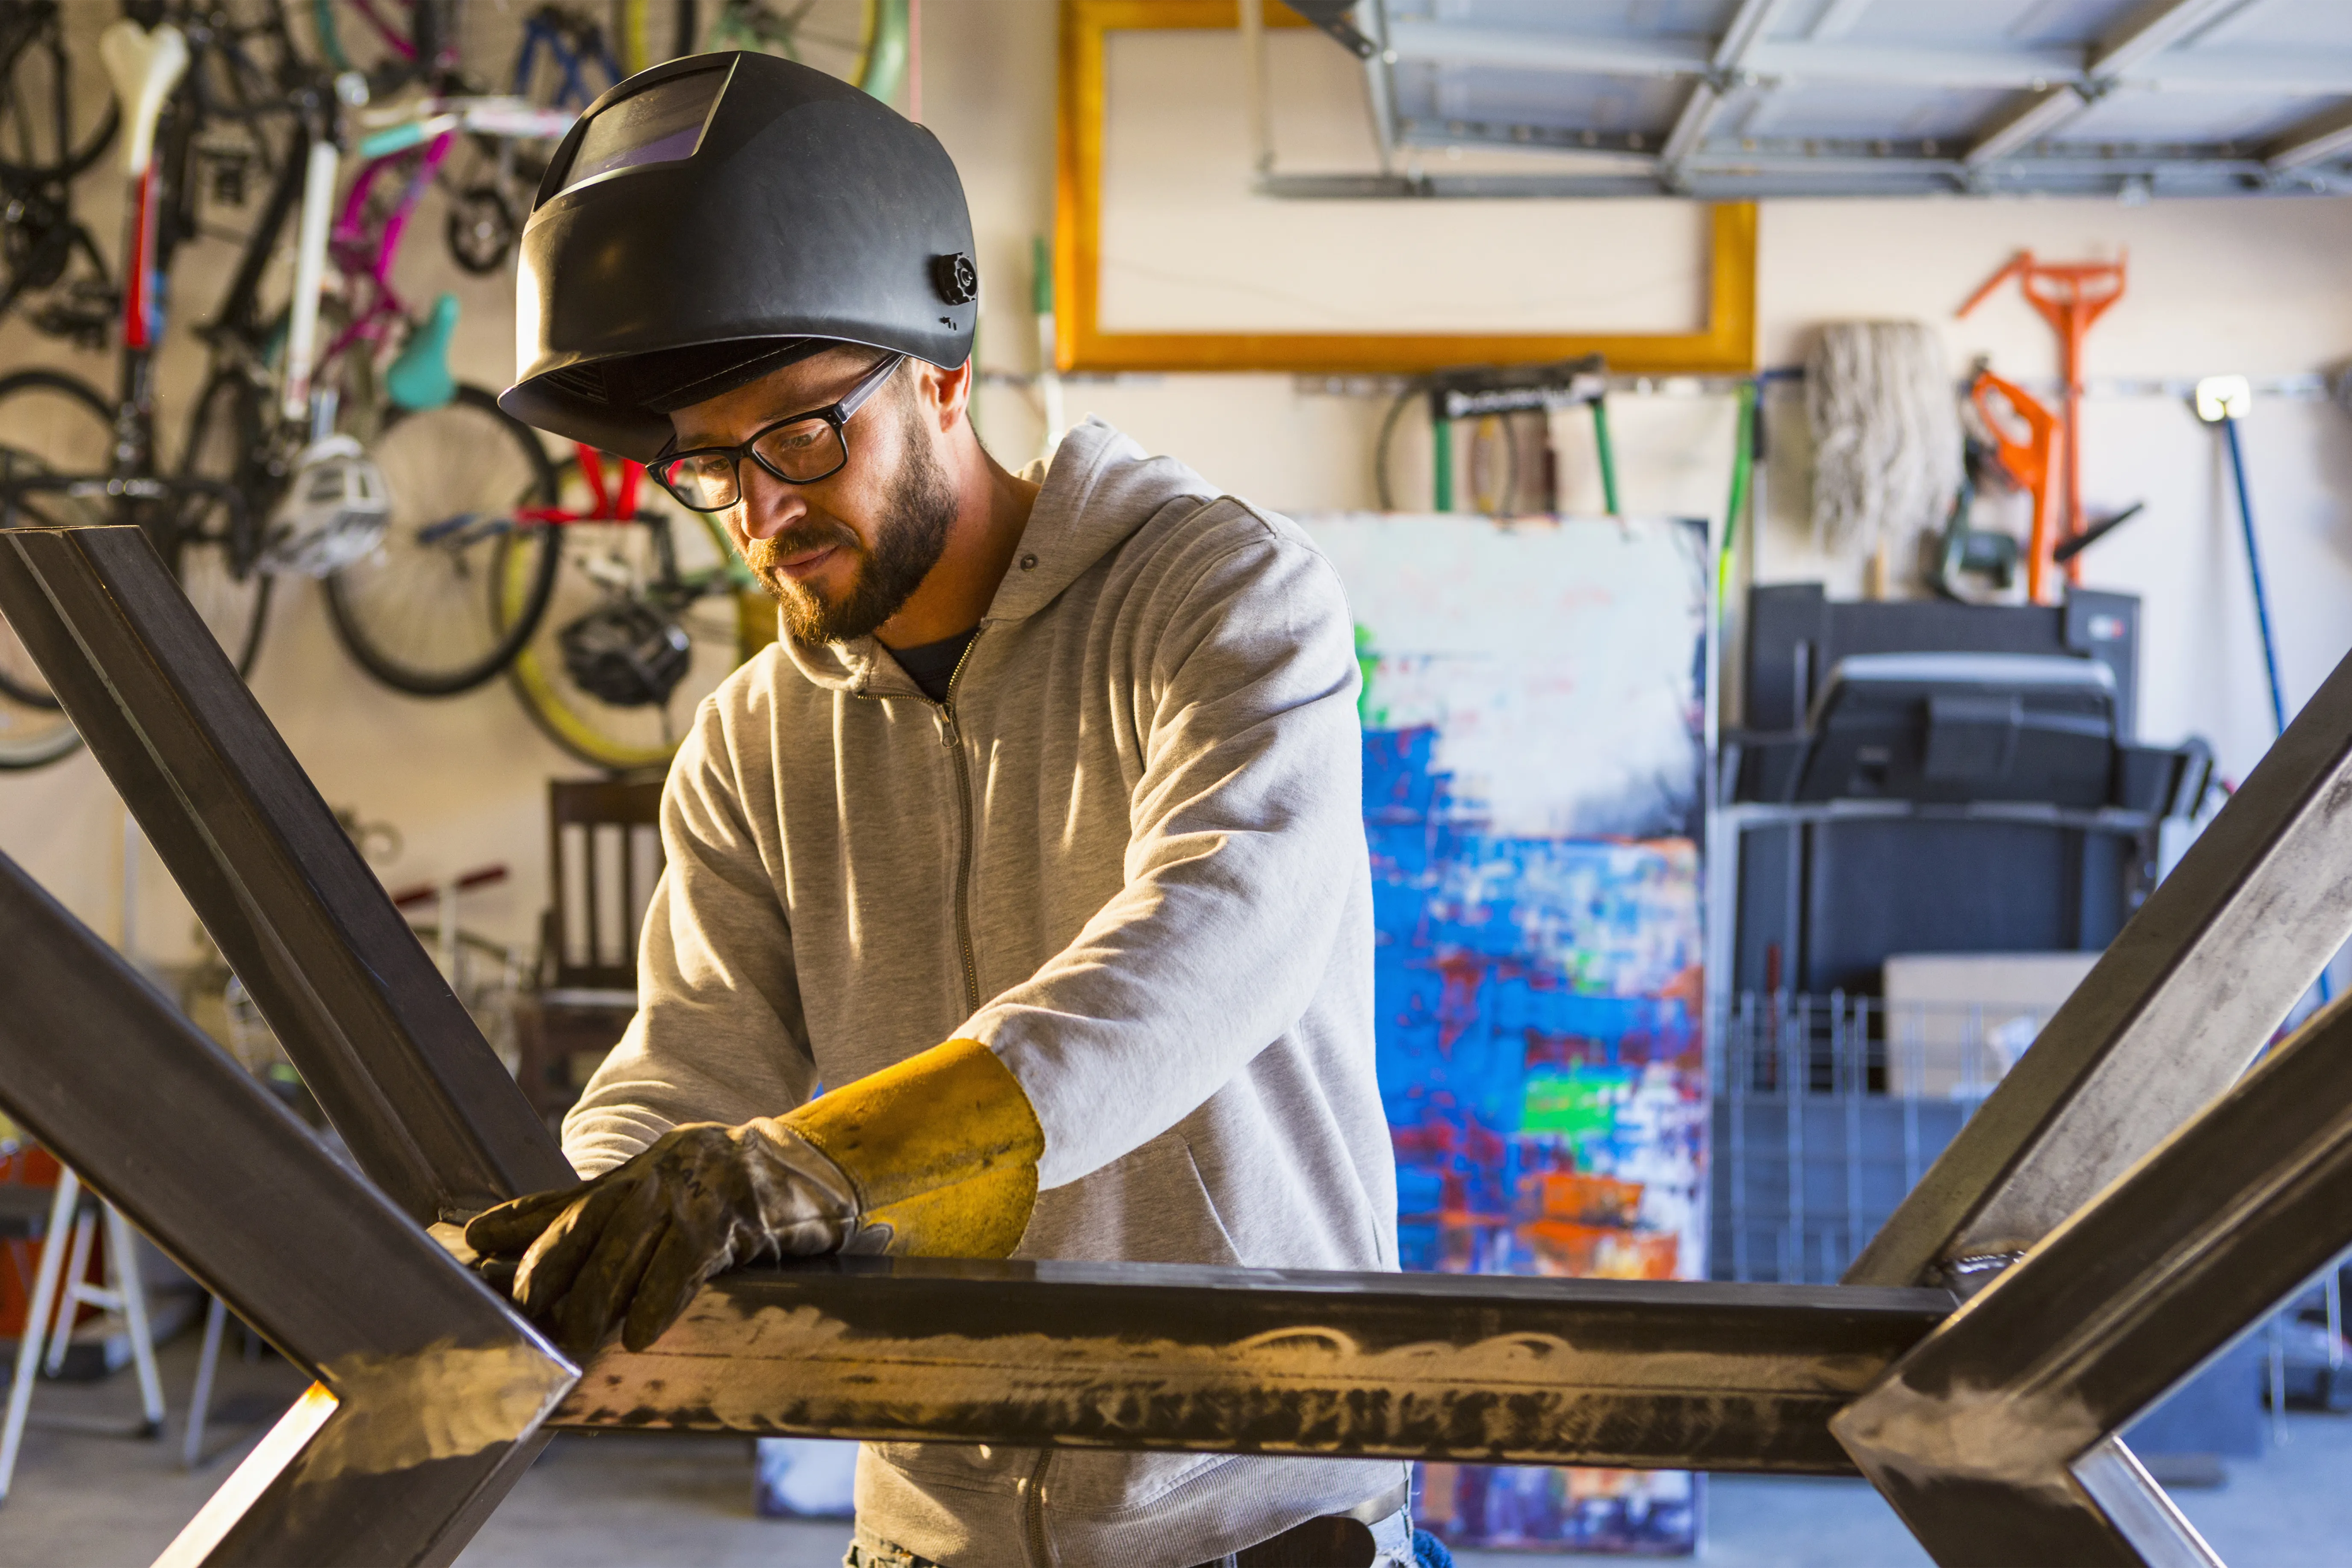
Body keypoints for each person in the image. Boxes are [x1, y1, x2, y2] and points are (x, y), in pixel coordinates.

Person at [469, 52, 1410, 1568]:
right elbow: (697, 1070)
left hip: (1259, 1517)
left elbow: (1218, 939)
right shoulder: (753, 739)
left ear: (944, 373)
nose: (762, 514)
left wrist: (823, 1162)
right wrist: (590, 1210)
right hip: (929, 1538)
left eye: (796, 438)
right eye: (711, 468)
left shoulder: (1219, 594)